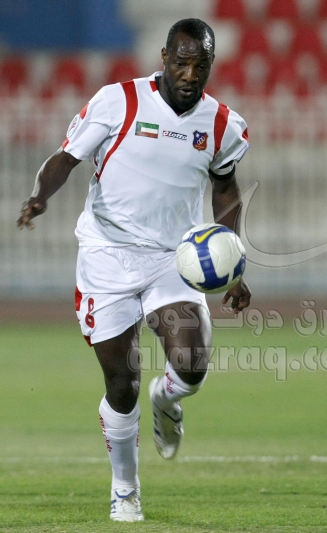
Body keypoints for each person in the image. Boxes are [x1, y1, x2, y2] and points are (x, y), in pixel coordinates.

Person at [16, 18, 251, 522]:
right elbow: (66, 158)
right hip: (107, 256)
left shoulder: (221, 124)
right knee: (121, 384)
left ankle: (167, 399)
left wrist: (231, 260)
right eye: (181, 63)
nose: (190, 74)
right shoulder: (117, 101)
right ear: (164, 57)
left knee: (191, 364)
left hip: (172, 260)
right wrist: (40, 197)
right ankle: (125, 489)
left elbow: (226, 188)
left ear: (211, 64)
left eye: (201, 65)